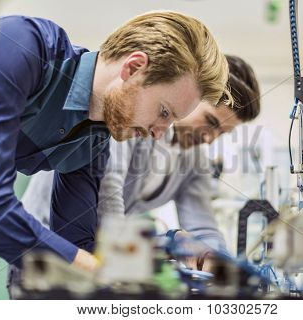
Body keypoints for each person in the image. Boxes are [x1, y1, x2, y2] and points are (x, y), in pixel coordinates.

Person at [0, 12, 230, 271]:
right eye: (164, 112)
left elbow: (81, 244)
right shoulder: (25, 46)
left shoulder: (94, 141)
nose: (159, 133)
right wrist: (93, 270)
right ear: (133, 68)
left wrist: (170, 246)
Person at [20, 55, 260, 271]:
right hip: (45, 247)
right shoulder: (139, 124)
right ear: (192, 98)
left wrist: (224, 269)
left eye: (222, 133)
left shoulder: (195, 160)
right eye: (210, 121)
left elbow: (202, 227)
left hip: (98, 253)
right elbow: (109, 196)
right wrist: (164, 244)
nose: (210, 138)